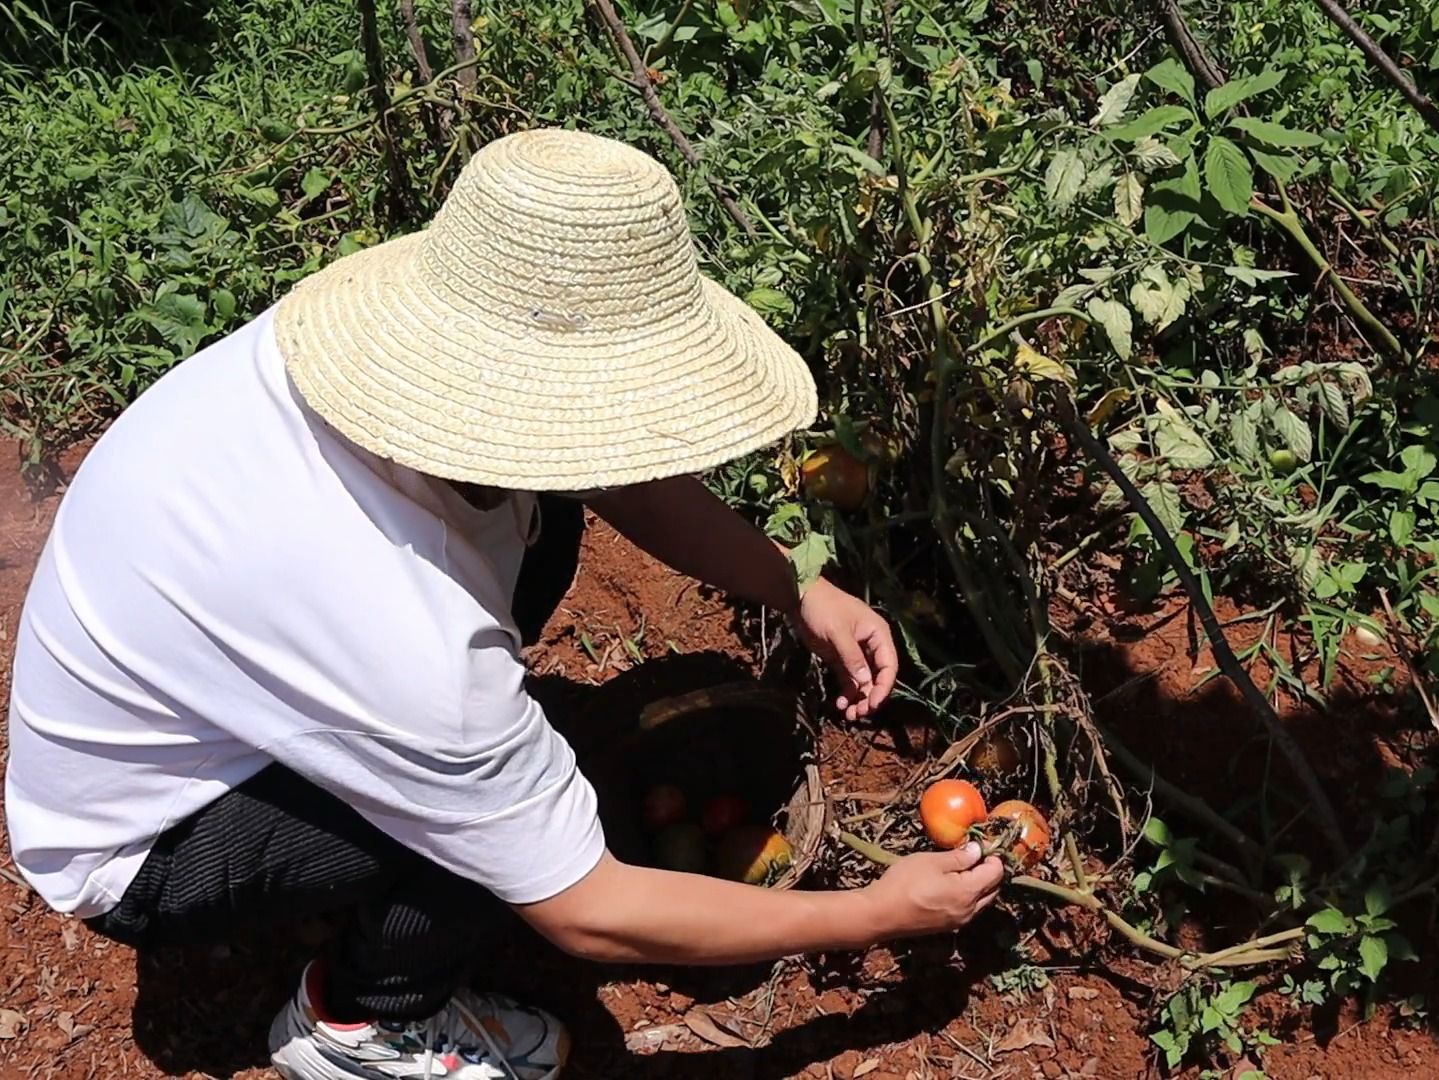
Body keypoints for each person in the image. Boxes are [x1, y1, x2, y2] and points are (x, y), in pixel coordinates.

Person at [2, 129, 1003, 1080]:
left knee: (543, 536)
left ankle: (371, 846)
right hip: (139, 842)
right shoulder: (418, 657)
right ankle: (360, 1027)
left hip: (189, 697)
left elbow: (604, 463)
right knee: (467, 846)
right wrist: (877, 913)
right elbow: (590, 913)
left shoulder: (331, 359)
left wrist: (795, 585)